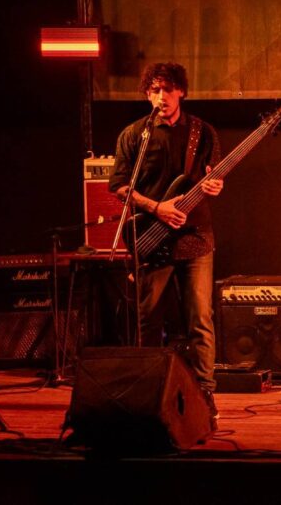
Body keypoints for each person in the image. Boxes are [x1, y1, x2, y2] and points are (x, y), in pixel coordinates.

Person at [109, 62, 223, 427]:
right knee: (148, 319)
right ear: (147, 94)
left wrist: (216, 185)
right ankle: (149, 394)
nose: (162, 97)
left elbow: (214, 176)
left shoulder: (203, 132)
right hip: (151, 236)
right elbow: (119, 187)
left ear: (181, 92)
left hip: (195, 236)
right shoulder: (134, 135)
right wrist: (157, 208)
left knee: (200, 319)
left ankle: (205, 395)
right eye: (155, 90)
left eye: (168, 89)